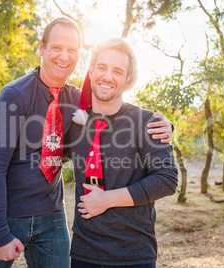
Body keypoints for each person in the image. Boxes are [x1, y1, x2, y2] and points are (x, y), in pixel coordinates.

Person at [0, 18, 174, 268]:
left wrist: (164, 126)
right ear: (42, 48)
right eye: (57, 48)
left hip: (51, 216)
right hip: (5, 213)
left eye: (72, 50)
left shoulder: (79, 99)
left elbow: (116, 111)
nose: (64, 57)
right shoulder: (14, 95)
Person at [66, 38, 178, 267]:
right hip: (83, 253)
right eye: (102, 67)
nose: (107, 76)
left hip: (134, 255)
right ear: (91, 71)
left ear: (128, 80)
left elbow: (167, 179)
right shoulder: (74, 122)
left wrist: (106, 200)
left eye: (118, 71)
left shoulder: (147, 122)